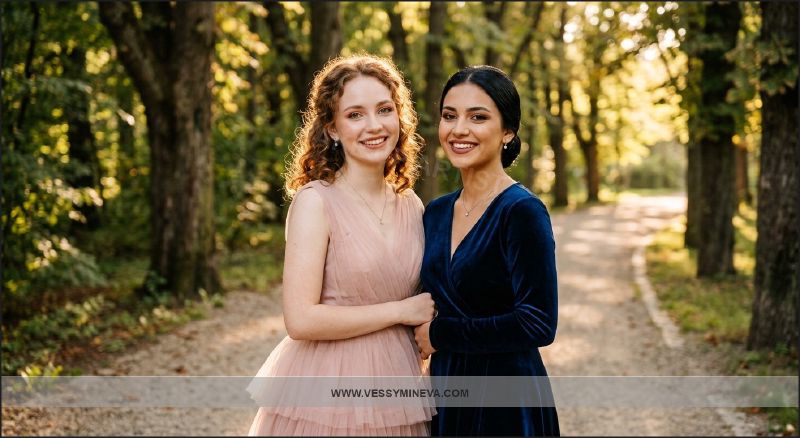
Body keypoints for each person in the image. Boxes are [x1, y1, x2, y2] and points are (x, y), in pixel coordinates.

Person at [246, 54, 435, 436]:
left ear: (400, 118)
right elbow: (300, 320)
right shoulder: (316, 202)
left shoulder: (412, 204)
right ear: (332, 128)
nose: (374, 125)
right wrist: (401, 310)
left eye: (384, 110)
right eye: (355, 114)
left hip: (398, 382)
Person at [413, 65, 560, 436]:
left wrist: (441, 335)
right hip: (446, 391)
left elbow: (538, 323)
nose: (459, 129)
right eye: (450, 116)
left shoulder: (521, 211)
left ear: (507, 130)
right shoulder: (435, 212)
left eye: (478, 117)